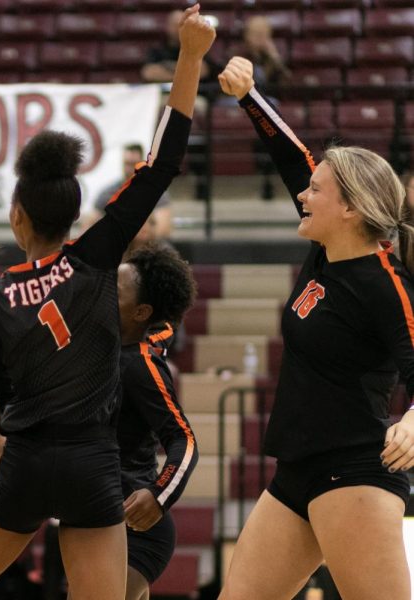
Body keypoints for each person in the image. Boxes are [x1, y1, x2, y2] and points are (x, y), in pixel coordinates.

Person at [0, 8, 214, 599]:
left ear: (16, 216)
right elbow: (163, 164)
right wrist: (189, 57)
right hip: (93, 467)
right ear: (74, 214)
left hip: (24, 466)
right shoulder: (95, 260)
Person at [217, 56, 414, 600]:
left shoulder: (383, 281)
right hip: (295, 472)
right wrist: (250, 95)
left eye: (317, 190)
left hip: (353, 471)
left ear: (350, 209)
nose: (303, 194)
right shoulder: (326, 253)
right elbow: (290, 155)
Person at [115, 243, 199, 600]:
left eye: (114, 292)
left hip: (136, 527)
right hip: (99, 515)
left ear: (141, 311)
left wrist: (158, 493)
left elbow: (185, 440)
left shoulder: (140, 364)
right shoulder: (108, 348)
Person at [84, 143, 173, 239]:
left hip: (146, 246)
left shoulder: (156, 192)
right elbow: (89, 225)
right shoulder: (108, 193)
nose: (129, 168)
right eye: (127, 163)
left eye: (133, 163)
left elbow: (164, 229)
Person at [141, 9, 216, 84]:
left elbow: (203, 71)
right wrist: (187, 72)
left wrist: (167, 67)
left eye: (182, 24)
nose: (178, 28)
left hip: (195, 93)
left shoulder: (197, 47)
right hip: (163, 93)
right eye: (174, 25)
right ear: (167, 26)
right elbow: (148, 73)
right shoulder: (157, 48)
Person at [233, 16, 290, 92]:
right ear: (246, 35)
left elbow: (287, 83)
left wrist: (275, 57)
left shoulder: (271, 56)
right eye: (256, 33)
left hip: (267, 97)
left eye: (264, 34)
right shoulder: (238, 54)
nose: (260, 37)